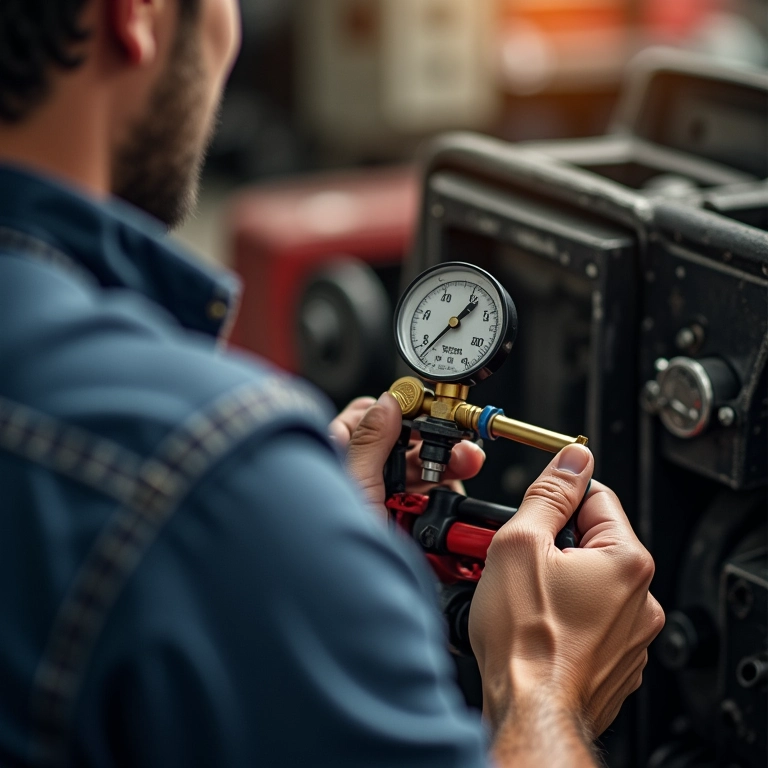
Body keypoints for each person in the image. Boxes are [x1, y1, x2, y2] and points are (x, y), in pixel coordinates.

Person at [0, 1, 664, 766]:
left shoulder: (217, 484)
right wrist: (545, 684)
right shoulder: (207, 471)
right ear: (136, 14)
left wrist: (315, 552)